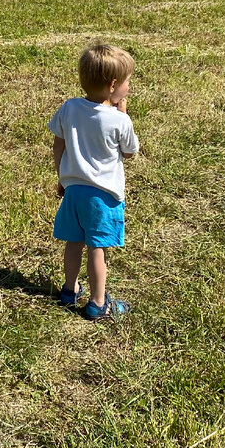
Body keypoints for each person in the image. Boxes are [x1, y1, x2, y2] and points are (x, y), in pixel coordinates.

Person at [48, 42, 140, 319]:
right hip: (102, 197)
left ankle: (68, 289)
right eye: (127, 82)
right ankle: (98, 303)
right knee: (96, 248)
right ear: (113, 86)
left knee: (73, 242)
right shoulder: (118, 120)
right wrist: (122, 115)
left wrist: (62, 178)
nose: (128, 87)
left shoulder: (69, 108)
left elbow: (58, 146)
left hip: (73, 190)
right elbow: (130, 152)